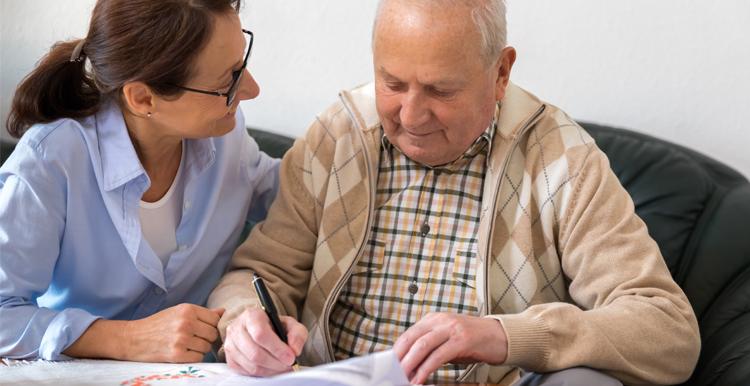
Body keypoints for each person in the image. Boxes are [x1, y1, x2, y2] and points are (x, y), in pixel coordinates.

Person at [208, 0, 701, 384]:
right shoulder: (338, 136)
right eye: (392, 83)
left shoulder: (564, 162)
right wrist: (243, 323)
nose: (411, 115)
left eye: (441, 91)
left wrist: (507, 336)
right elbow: (257, 273)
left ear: (501, 73)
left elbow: (666, 329)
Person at [0, 0, 279, 363]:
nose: (252, 90)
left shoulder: (227, 138)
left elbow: (299, 197)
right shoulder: (52, 160)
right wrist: (126, 339)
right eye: (227, 81)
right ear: (143, 98)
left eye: (243, 66)